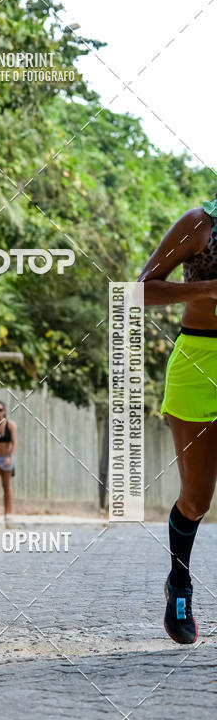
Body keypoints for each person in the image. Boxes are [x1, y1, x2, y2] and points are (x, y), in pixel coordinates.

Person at [138, 199, 217, 644]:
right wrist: (206, 290)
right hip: (198, 360)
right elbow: (142, 288)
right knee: (197, 498)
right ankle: (180, 584)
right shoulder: (200, 224)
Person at [0, 400, 17, 516]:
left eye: (0, 410)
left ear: (4, 411)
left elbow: (14, 442)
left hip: (6, 457)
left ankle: (8, 512)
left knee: (6, 486)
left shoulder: (10, 425)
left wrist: (10, 457)